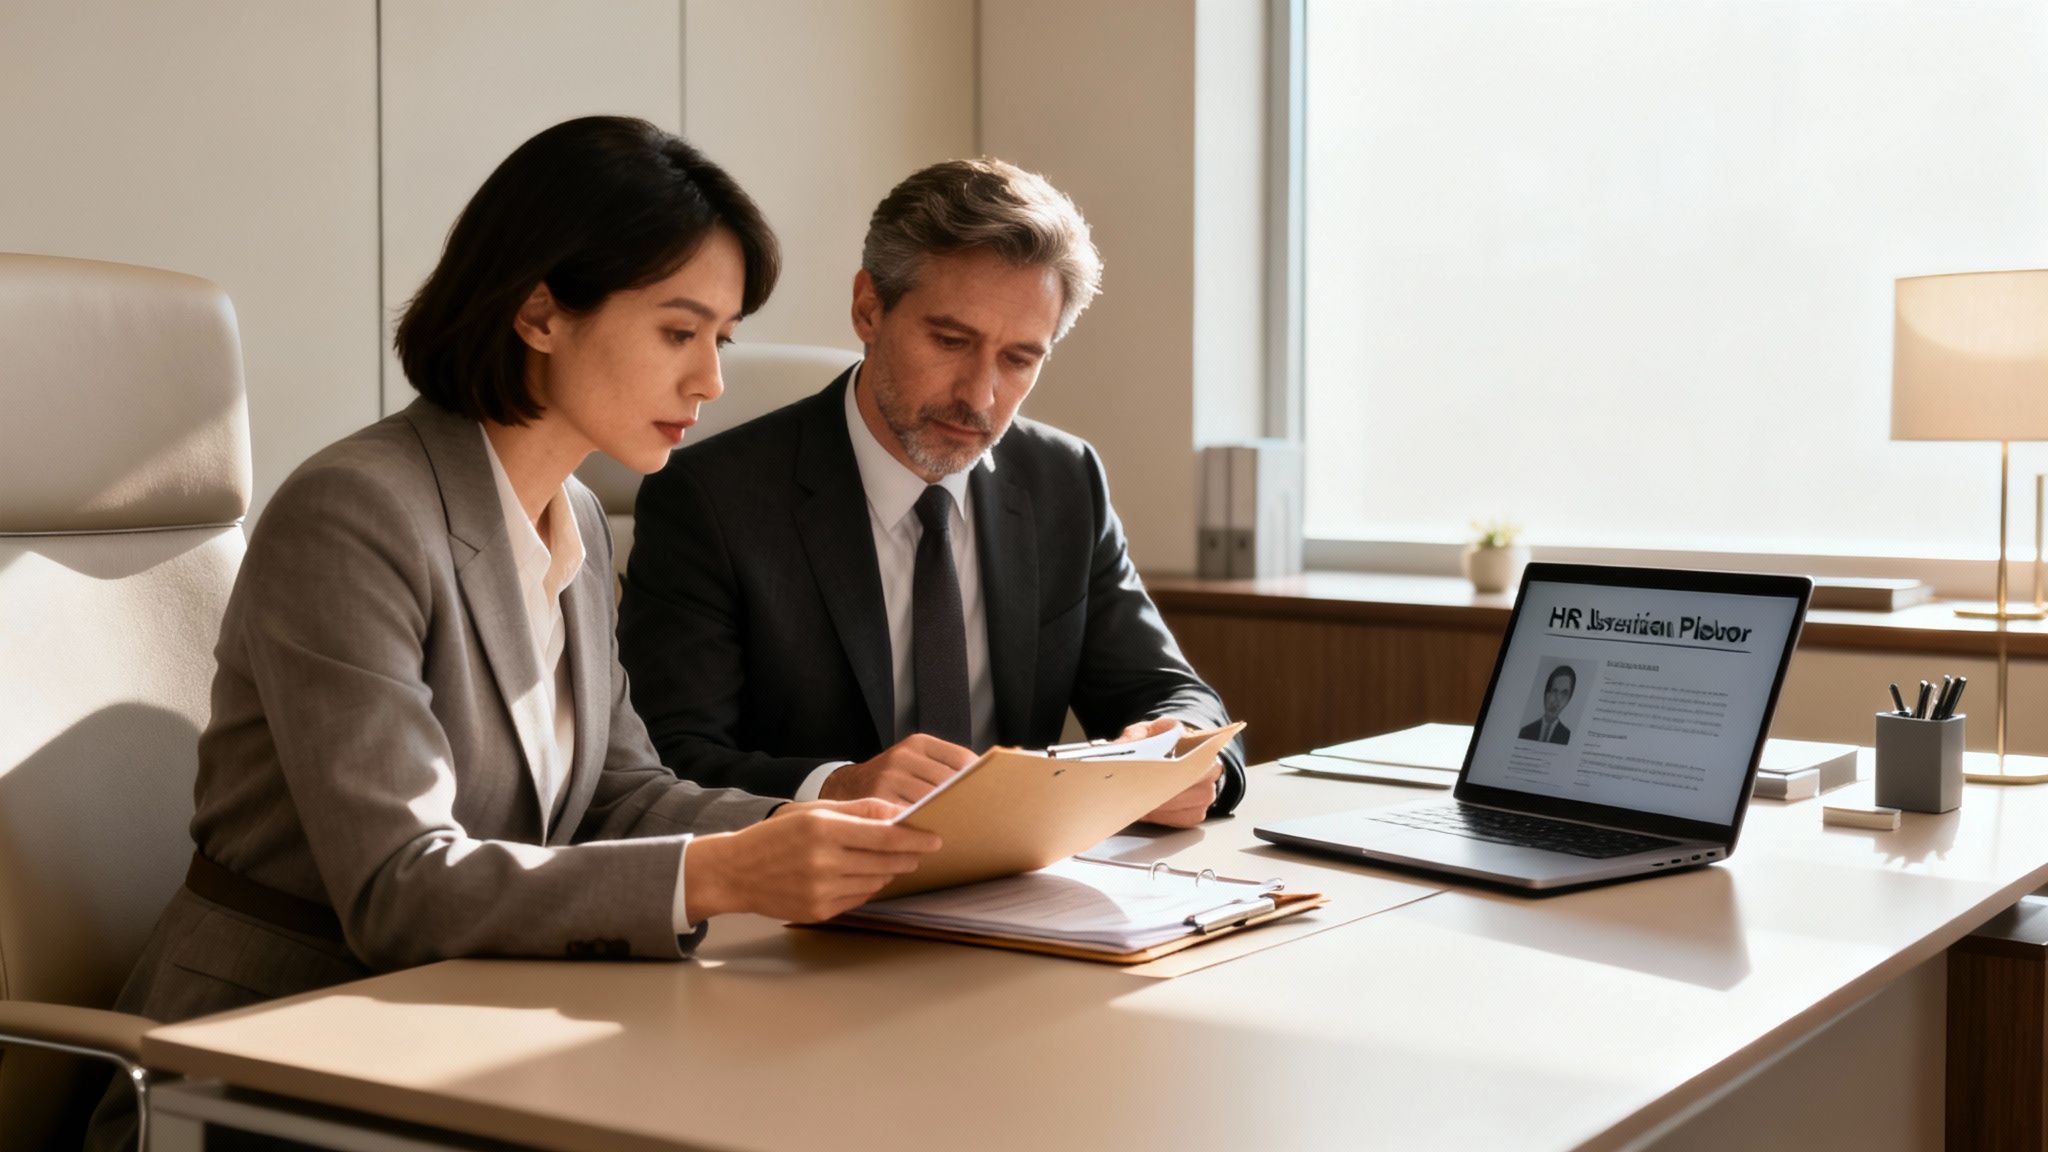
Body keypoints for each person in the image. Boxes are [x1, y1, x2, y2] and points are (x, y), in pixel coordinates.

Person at [84, 116, 940, 1148]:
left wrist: (831, 835)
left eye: (722, 338)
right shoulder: (356, 511)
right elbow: (399, 886)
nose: (710, 381)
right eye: (679, 332)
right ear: (539, 311)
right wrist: (725, 874)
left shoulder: (569, 512)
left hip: (453, 1029)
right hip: (261, 1055)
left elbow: (620, 793)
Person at [619, 158, 1245, 827]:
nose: (980, 395)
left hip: (1018, 895)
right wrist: (837, 785)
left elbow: (1170, 692)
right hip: (806, 902)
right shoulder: (712, 499)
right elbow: (667, 760)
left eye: (1018, 360)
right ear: (868, 308)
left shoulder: (1064, 480)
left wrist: (1181, 749)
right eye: (950, 340)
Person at [1520, 665, 1576, 745]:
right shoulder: (1524, 732)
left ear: (1568, 699)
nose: (1557, 700)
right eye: (1554, 691)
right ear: (1546, 693)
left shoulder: (1568, 736)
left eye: (1564, 693)